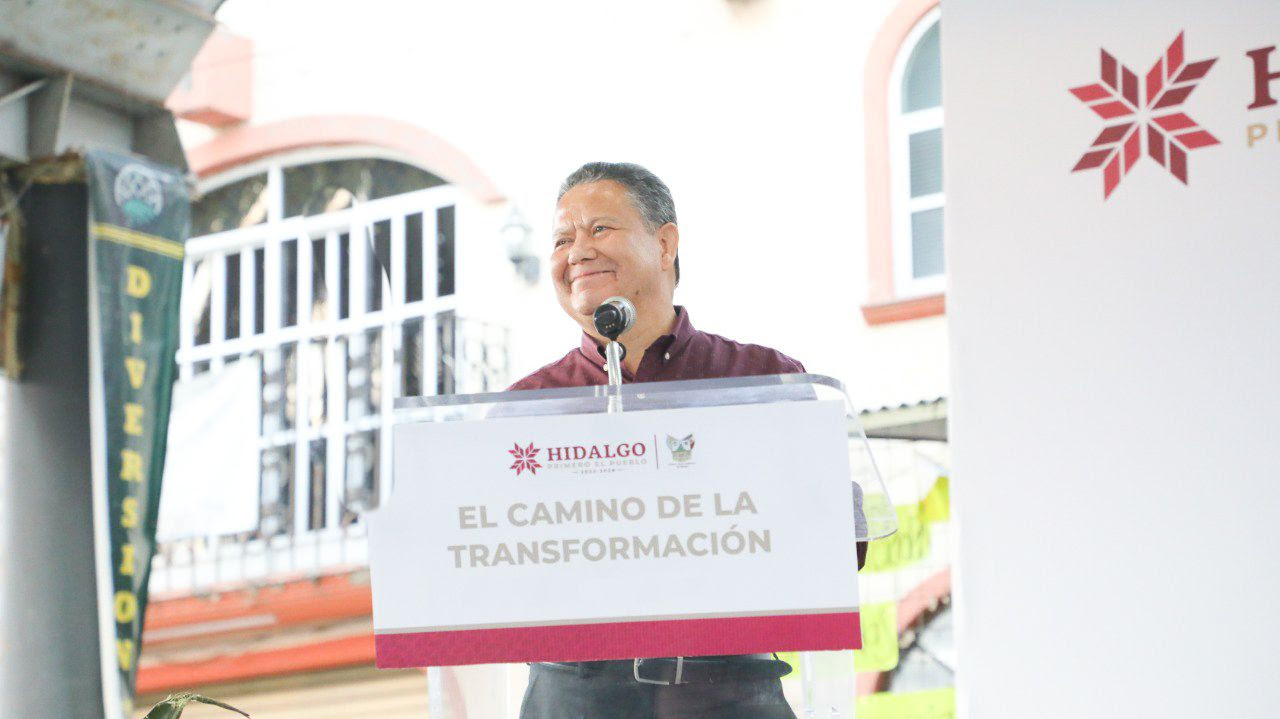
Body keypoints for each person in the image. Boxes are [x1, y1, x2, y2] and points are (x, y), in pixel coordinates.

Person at [509, 161, 865, 719]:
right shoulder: (525, 409)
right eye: (561, 239)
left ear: (665, 244)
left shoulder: (761, 379)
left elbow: (837, 541)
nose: (576, 252)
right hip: (576, 693)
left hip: (728, 687)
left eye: (599, 228)